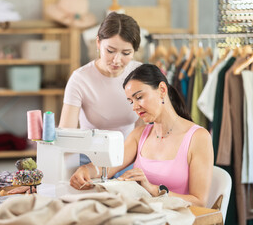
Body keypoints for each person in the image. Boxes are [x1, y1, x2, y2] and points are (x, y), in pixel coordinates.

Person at [70, 64, 214, 207]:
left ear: (162, 90)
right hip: (143, 217)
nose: (134, 107)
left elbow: (199, 202)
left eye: (139, 97)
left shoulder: (198, 137)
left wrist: (152, 189)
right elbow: (108, 167)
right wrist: (86, 170)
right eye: (131, 101)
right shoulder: (139, 135)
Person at [59, 12, 142, 175]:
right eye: (110, 50)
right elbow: (65, 133)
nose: (116, 60)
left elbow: (143, 130)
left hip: (128, 157)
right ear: (98, 42)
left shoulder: (141, 75)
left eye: (126, 53)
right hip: (88, 159)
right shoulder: (80, 79)